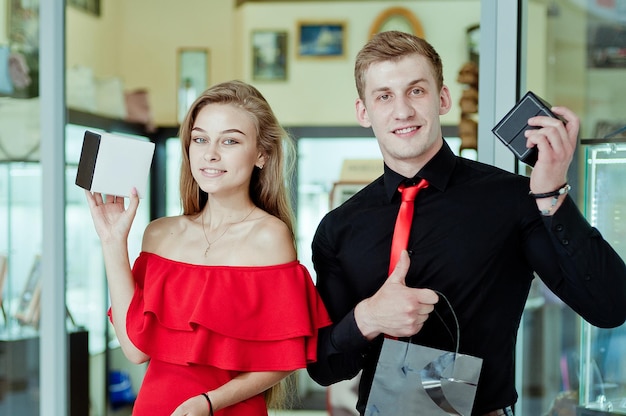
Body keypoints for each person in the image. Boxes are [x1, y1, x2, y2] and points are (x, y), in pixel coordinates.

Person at [306, 31, 626, 416]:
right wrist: (369, 317)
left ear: (442, 99)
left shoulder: (512, 199)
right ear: (363, 112)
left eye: (417, 91)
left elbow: (610, 306)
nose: (403, 110)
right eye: (384, 96)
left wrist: (551, 194)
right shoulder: (338, 228)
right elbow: (325, 367)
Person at [86, 80, 331, 416]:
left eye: (229, 141)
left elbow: (284, 358)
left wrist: (209, 403)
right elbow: (134, 349)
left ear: (262, 153)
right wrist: (113, 242)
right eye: (200, 139)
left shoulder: (269, 238)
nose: (210, 153)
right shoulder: (159, 234)